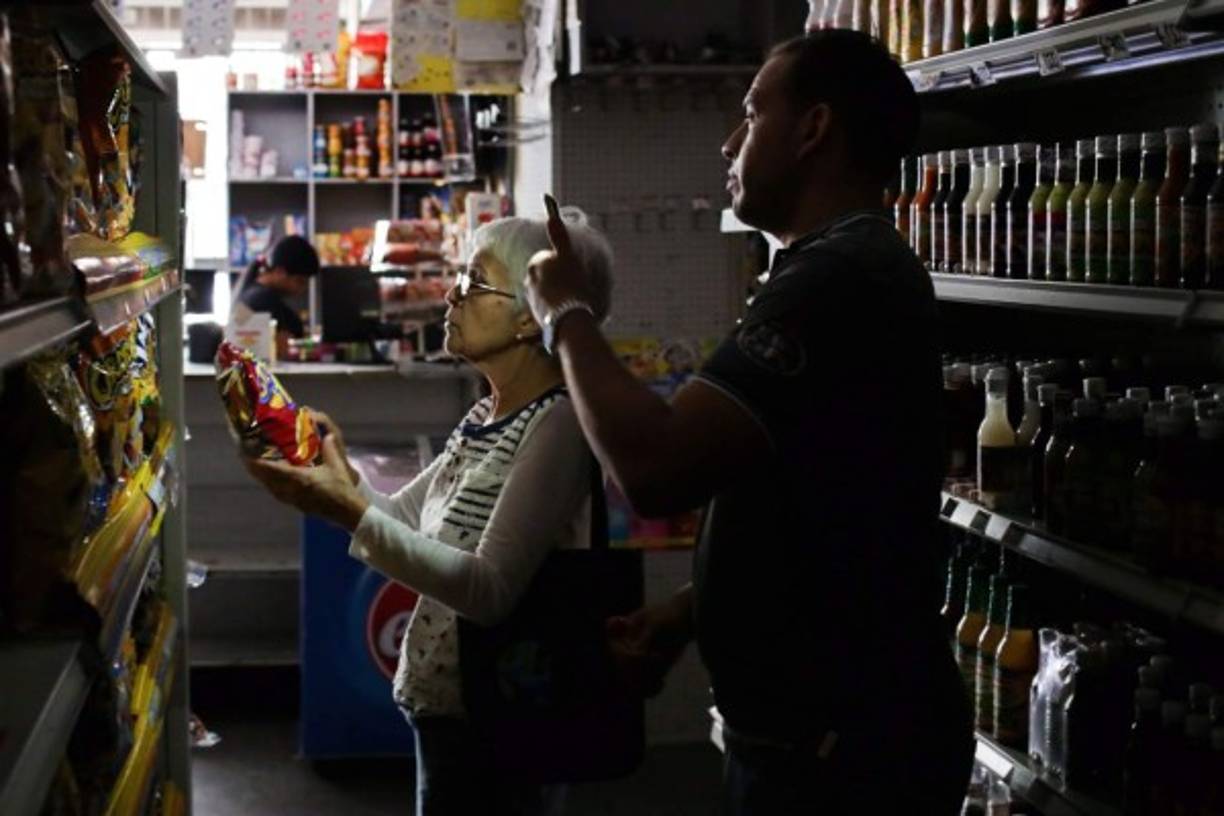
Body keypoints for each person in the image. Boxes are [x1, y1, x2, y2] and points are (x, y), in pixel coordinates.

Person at [524, 30, 974, 814]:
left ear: (813, 129)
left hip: (841, 760)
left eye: (753, 112)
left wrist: (564, 312)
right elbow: (821, 504)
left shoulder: (836, 278)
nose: (730, 141)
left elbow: (656, 468)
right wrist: (685, 614)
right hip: (818, 741)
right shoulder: (826, 269)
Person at [241, 211, 614, 816]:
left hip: (500, 716)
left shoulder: (559, 423)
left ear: (530, 314)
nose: (450, 294)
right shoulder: (483, 416)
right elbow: (399, 516)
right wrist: (331, 471)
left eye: (473, 282)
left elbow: (488, 588)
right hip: (445, 706)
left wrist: (348, 510)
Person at [232, 235, 319, 358]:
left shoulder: (251, 292)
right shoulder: (263, 299)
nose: (302, 289)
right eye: (300, 281)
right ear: (279, 272)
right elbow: (281, 349)